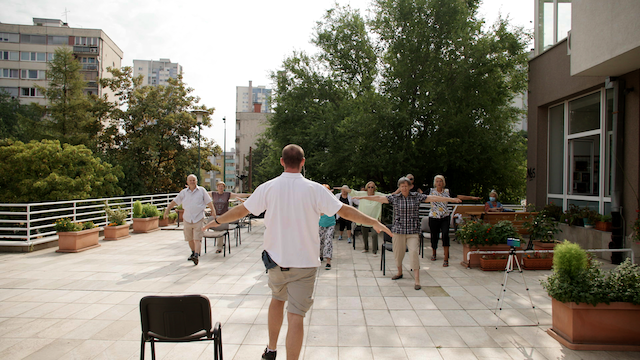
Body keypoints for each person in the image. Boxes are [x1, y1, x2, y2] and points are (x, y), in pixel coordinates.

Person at [202, 144, 392, 360]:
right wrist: (374, 221)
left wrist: (215, 220)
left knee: (277, 300)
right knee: (295, 316)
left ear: (282, 162)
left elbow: (241, 210)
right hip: (305, 264)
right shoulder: (316, 189)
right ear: (303, 163)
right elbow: (345, 211)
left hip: (276, 262)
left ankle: (271, 349)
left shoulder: (267, 188)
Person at [354, 177, 461, 290]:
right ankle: (399, 272)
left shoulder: (416, 196)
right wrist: (362, 197)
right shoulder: (395, 198)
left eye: (406, 186)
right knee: (398, 254)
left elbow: (432, 197)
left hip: (412, 231)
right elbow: (379, 198)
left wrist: (452, 200)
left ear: (410, 186)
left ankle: (417, 280)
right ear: (399, 187)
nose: (404, 188)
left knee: (414, 253)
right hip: (399, 231)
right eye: (402, 186)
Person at [428, 175, 481, 267]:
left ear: (443, 182)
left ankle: (446, 258)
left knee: (445, 235)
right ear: (435, 183)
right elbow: (420, 196)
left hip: (445, 216)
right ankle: (434, 253)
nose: (439, 183)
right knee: (434, 236)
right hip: (434, 217)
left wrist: (472, 198)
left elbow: (458, 196)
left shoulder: (447, 192)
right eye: (437, 181)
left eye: (440, 181)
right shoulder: (431, 191)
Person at [164, 174, 215, 265]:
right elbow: (175, 201)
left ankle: (196, 255)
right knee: (189, 238)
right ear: (187, 182)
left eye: (194, 180)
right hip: (187, 218)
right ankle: (193, 252)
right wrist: (167, 209)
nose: (192, 182)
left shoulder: (202, 191)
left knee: (197, 238)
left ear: (196, 181)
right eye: (190, 180)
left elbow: (209, 202)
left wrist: (213, 212)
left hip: (198, 218)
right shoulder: (184, 192)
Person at [210, 180, 251, 253]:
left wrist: (249, 195)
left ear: (224, 188)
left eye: (222, 186)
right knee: (217, 231)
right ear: (217, 187)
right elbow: (202, 193)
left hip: (224, 216)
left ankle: (219, 248)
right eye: (219, 186)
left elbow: (238, 195)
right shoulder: (213, 194)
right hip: (216, 216)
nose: (220, 188)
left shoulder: (227, 194)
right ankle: (221, 243)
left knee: (221, 230)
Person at [349, 181, 386, 256]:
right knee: (364, 234)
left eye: (372, 187)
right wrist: (343, 188)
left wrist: (400, 190)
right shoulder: (363, 194)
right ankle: (366, 248)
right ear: (366, 188)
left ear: (374, 188)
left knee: (374, 234)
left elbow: (389, 196)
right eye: (369, 187)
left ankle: (374, 251)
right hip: (364, 219)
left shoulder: (378, 195)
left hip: (374, 220)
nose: (370, 189)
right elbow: (353, 192)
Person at [319, 184, 336, 269]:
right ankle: (321, 255)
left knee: (328, 240)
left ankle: (328, 261)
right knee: (321, 241)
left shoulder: (332, 200)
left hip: (331, 223)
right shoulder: (318, 200)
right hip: (321, 224)